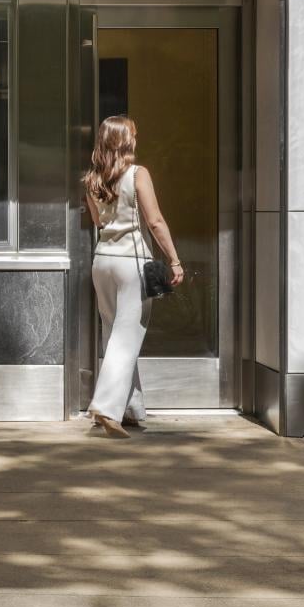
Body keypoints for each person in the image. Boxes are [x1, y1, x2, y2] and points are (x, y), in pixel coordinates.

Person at [83, 116, 184, 438]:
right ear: (127, 140)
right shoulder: (138, 174)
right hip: (131, 263)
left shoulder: (92, 180)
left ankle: (130, 408)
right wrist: (174, 260)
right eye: (134, 135)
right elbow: (154, 222)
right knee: (127, 337)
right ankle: (105, 407)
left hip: (102, 262)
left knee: (114, 333)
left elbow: (99, 222)